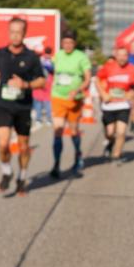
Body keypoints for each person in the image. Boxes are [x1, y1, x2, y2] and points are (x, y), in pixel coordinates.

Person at [0, 17, 46, 196]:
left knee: (23, 147)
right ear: (8, 32)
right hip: (4, 104)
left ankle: (21, 177)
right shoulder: (0, 53)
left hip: (23, 106)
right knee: (3, 144)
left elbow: (42, 81)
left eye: (18, 32)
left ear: (24, 34)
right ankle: (7, 171)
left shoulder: (32, 57)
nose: (14, 36)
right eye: (12, 31)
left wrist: (25, 85)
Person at [49, 30, 91, 178]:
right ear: (61, 43)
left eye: (70, 43)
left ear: (75, 43)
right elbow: (51, 70)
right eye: (65, 42)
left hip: (75, 99)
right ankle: (56, 164)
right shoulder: (58, 55)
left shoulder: (81, 57)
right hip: (58, 97)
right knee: (58, 130)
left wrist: (78, 89)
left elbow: (87, 79)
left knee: (73, 131)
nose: (67, 45)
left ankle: (77, 155)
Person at [97, 45, 134, 164]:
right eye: (120, 55)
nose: (122, 58)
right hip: (109, 105)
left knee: (121, 132)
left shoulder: (132, 69)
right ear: (116, 55)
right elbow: (97, 80)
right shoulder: (108, 67)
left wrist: (132, 94)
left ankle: (116, 156)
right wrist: (103, 95)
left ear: (128, 56)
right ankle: (111, 143)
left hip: (123, 105)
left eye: (125, 55)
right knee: (110, 133)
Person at [32, 47, 54, 125]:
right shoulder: (52, 60)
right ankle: (48, 119)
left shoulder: (40, 60)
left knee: (38, 102)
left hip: (39, 82)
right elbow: (53, 71)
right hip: (48, 83)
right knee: (47, 102)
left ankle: (38, 119)